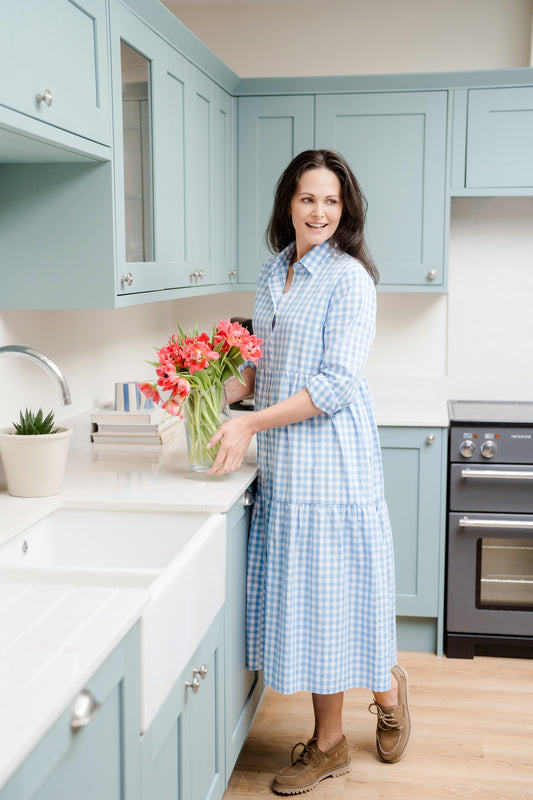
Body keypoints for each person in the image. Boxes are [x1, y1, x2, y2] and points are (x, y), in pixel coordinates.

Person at [207, 149, 410, 794]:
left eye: (331, 200)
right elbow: (263, 365)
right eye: (307, 198)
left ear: (344, 209)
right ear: (287, 204)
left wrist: (248, 423)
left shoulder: (350, 279)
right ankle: (332, 742)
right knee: (321, 609)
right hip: (289, 468)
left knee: (340, 602)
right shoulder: (275, 271)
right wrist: (220, 391)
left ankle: (386, 696)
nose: (318, 211)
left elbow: (335, 385)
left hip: (333, 466)